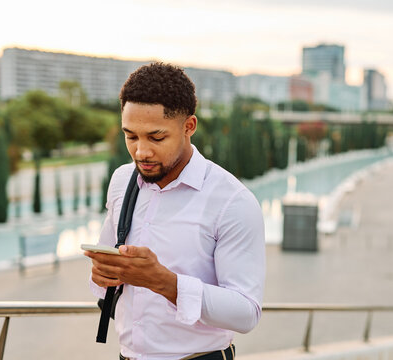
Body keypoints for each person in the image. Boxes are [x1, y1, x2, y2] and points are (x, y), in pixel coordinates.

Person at [85, 62, 265, 360]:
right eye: (131, 136)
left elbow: (246, 313)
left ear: (188, 126)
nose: (141, 151)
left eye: (156, 137)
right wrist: (103, 273)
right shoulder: (121, 181)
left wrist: (164, 282)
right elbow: (104, 271)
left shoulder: (233, 202)